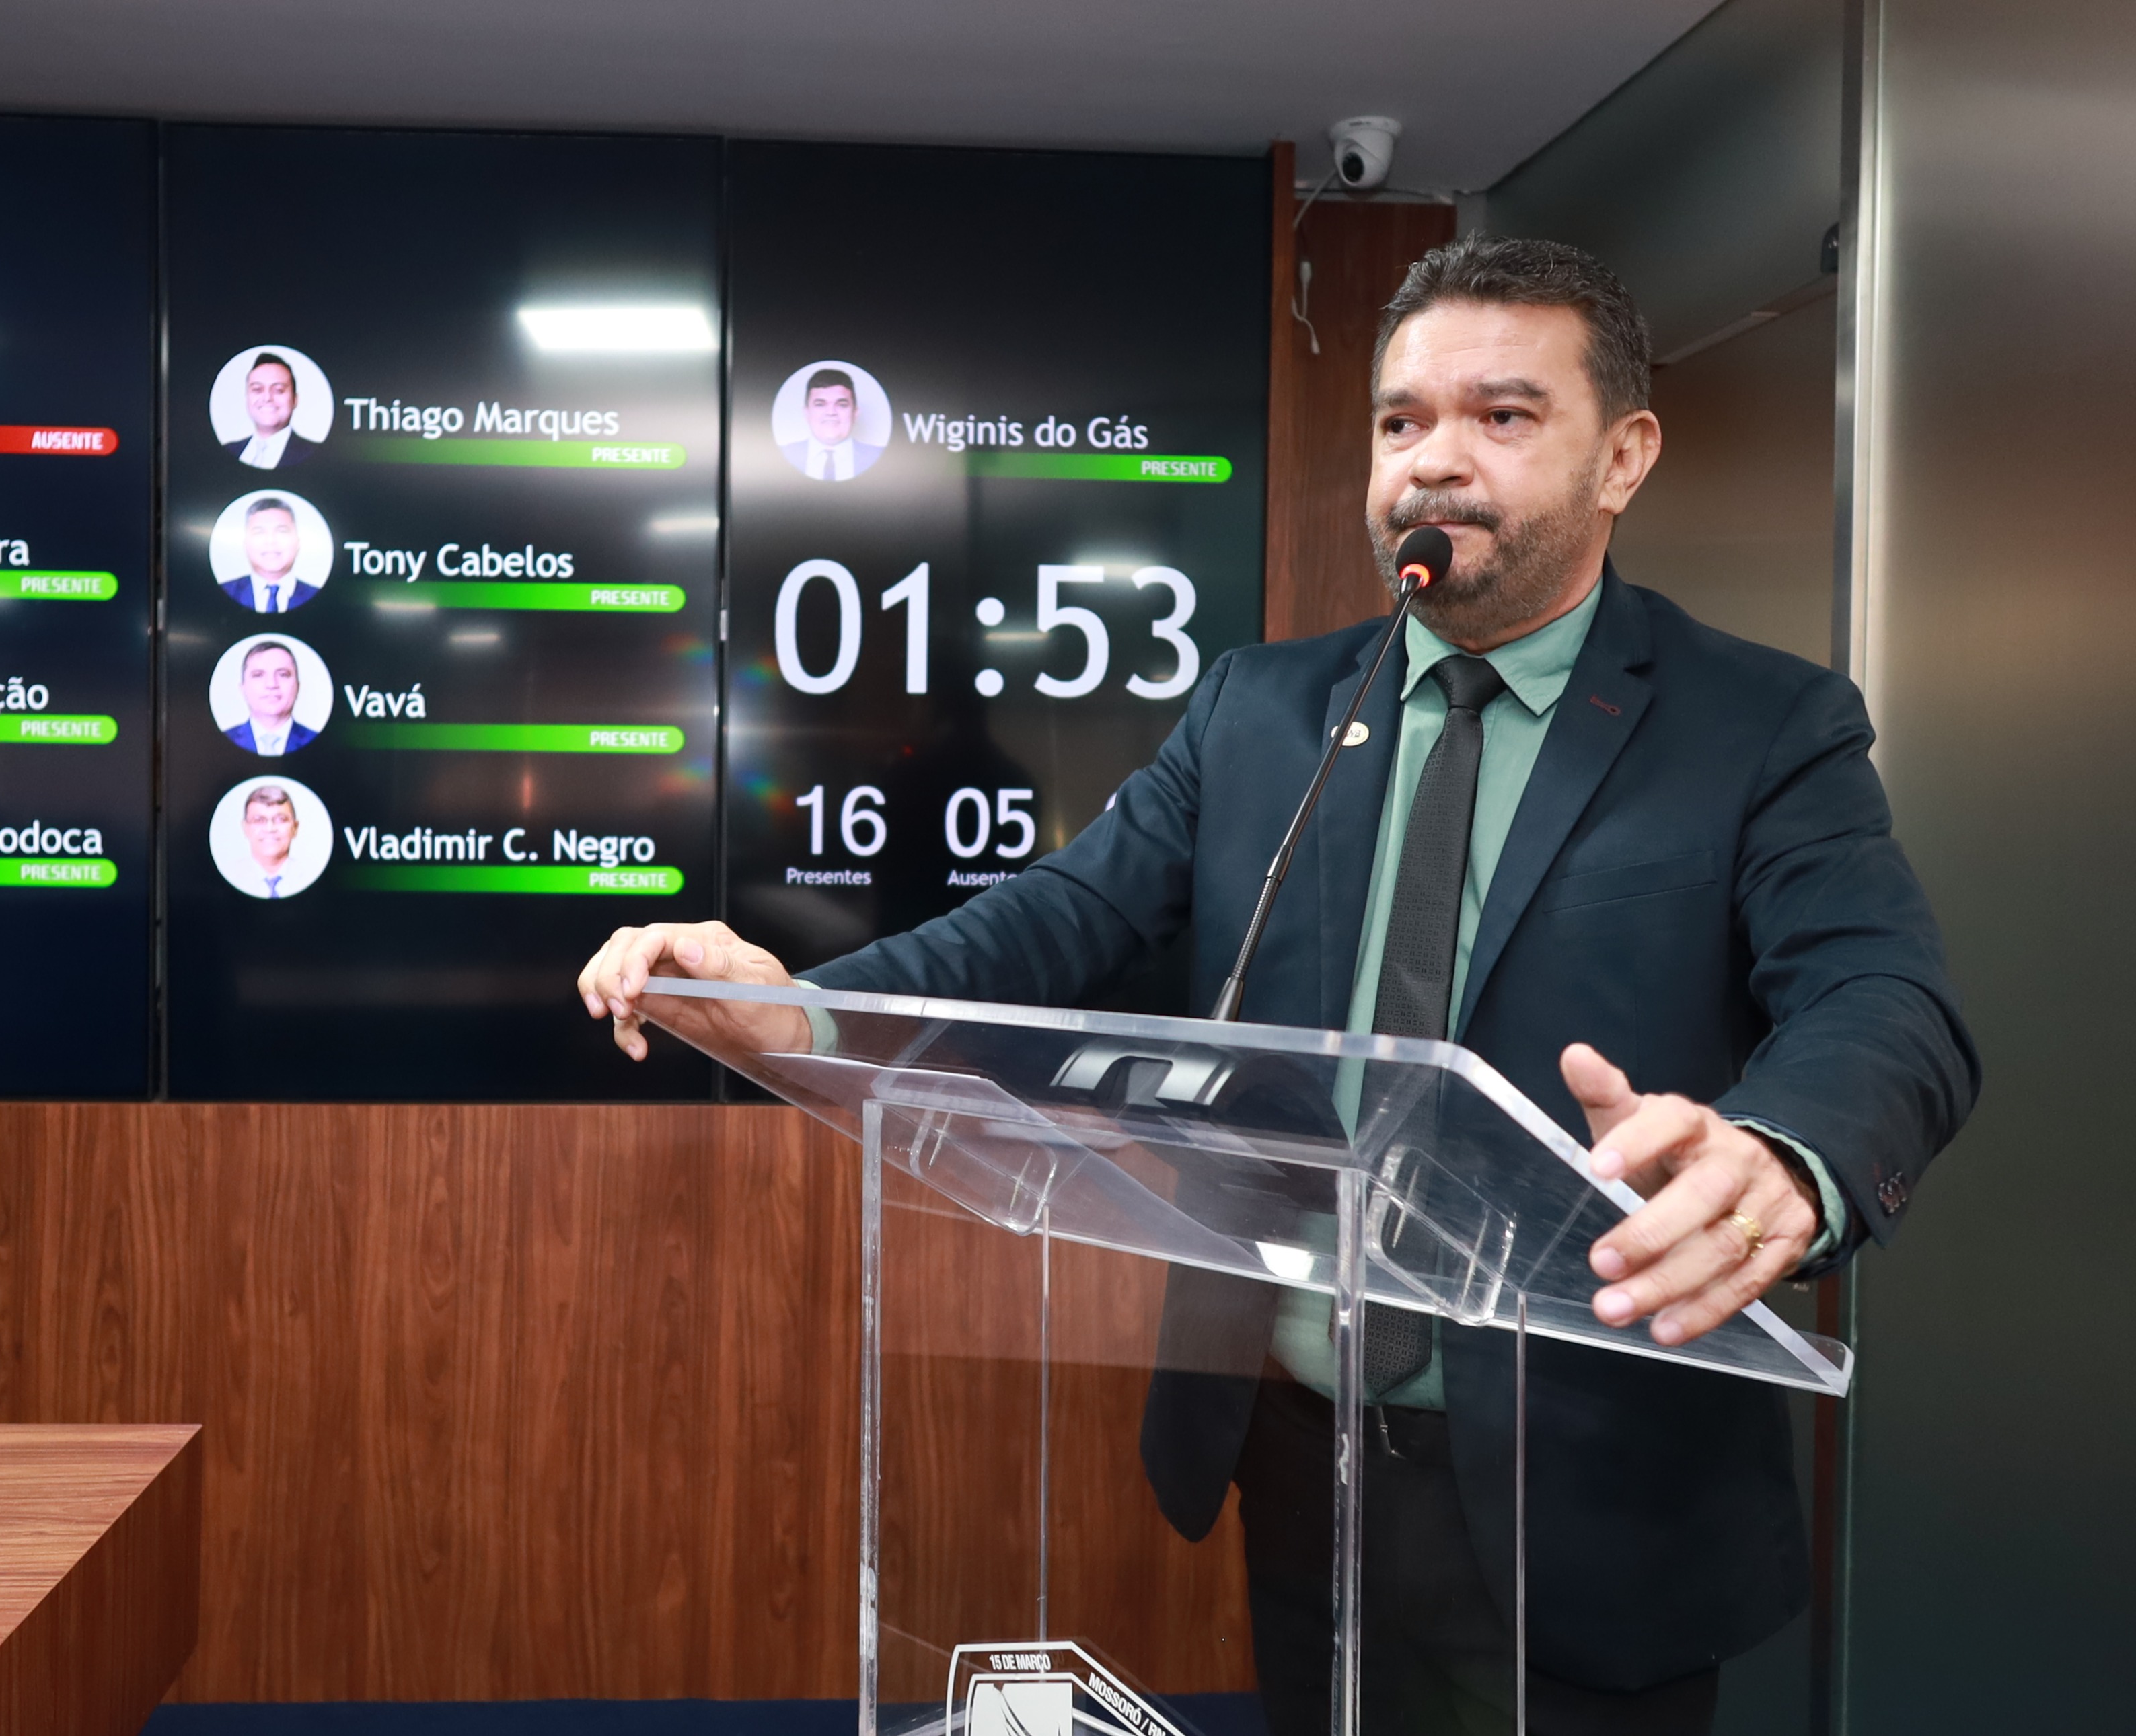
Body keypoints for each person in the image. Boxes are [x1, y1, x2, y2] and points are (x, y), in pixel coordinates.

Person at [581, 237, 1977, 1733]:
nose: (1433, 461)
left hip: (1591, 1479)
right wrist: (801, 1006)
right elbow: (1057, 924)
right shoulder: (1262, 710)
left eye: (1502, 417)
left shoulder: (1760, 725)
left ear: (1622, 456)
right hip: (1299, 1447)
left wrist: (1785, 1152)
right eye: (1400, 420)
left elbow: (1883, 995)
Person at [779, 367, 885, 481]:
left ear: (855, 413)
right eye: (820, 404)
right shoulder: (780, 456)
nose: (831, 412)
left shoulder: (881, 457)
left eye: (842, 405)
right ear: (807, 412)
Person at [219, 497, 319, 614]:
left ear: (298, 542)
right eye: (259, 532)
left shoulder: (319, 596)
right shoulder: (223, 593)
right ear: (245, 544)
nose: (271, 541)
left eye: (281, 531)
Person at [224, 352, 322, 469]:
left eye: (279, 390)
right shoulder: (229, 450)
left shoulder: (316, 454)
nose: (267, 398)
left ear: (295, 399)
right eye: (257, 389)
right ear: (247, 397)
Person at [223, 640, 317, 755]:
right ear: (242, 688)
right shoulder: (219, 742)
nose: (272, 684)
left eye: (283, 674)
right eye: (258, 675)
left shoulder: (319, 741)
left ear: (298, 687)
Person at [240, 785, 303, 898]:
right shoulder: (232, 876)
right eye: (259, 820)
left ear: (295, 828)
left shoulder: (310, 875)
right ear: (245, 828)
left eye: (280, 819)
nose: (270, 829)